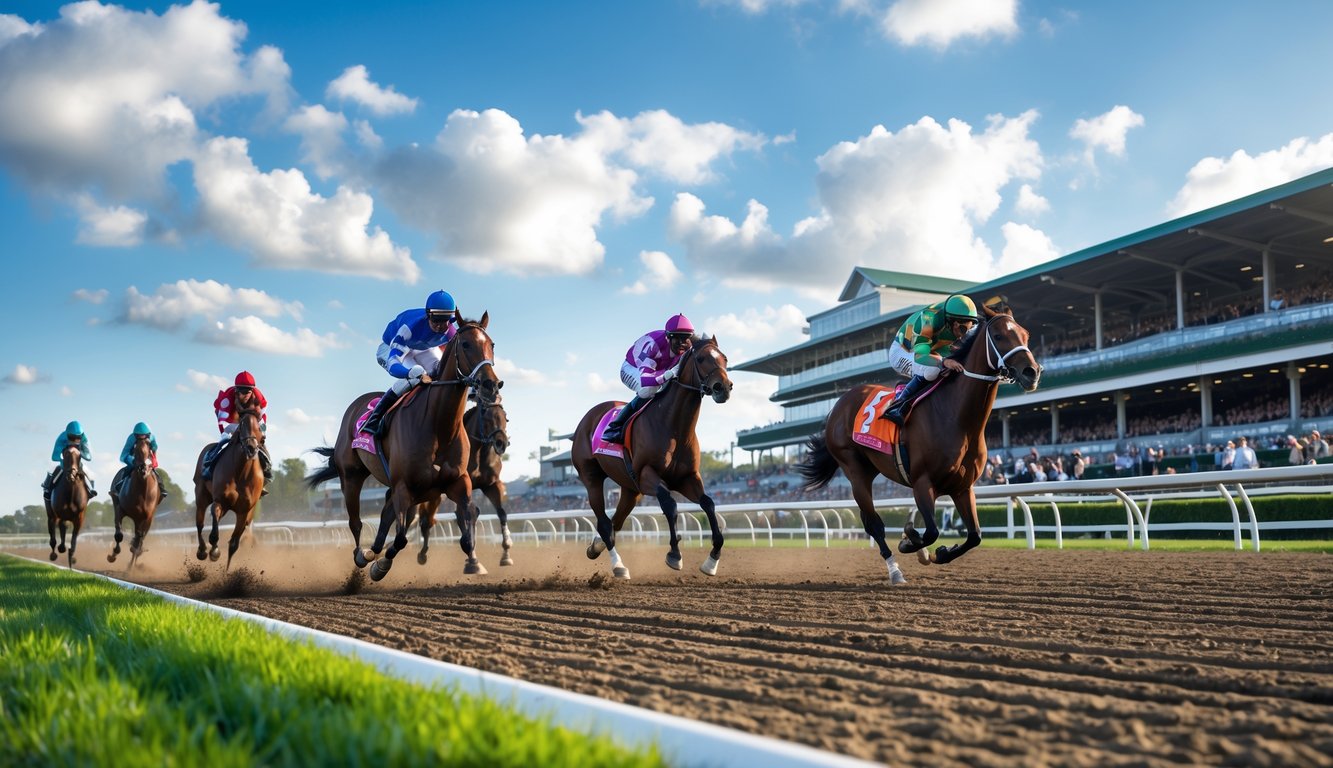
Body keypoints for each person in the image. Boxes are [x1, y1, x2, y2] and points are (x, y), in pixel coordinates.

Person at [361, 289, 459, 437]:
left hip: (423, 347)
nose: (439, 326)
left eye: (444, 321)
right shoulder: (409, 328)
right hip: (392, 349)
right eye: (435, 321)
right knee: (416, 375)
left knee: (440, 371)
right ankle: (374, 419)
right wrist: (408, 373)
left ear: (451, 320)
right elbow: (394, 364)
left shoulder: (452, 333)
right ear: (428, 316)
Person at [880, 294, 979, 426]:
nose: (964, 335)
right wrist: (944, 362)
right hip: (904, 352)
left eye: (970, 328)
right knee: (932, 370)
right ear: (954, 322)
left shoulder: (952, 322)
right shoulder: (928, 319)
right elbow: (921, 357)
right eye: (963, 329)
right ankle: (898, 405)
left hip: (930, 351)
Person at [601, 314, 695, 444]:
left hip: (659, 370)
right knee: (648, 390)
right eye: (677, 339)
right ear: (668, 337)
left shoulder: (689, 344)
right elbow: (647, 380)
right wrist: (668, 374)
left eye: (685, 339)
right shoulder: (652, 345)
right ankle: (615, 427)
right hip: (633, 369)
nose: (681, 344)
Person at [203, 371, 272, 491]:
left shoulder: (259, 400)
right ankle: (209, 464)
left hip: (250, 420)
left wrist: (263, 434)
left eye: (248, 392)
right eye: (242, 392)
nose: (246, 395)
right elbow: (221, 421)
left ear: (252, 391)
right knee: (224, 441)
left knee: (261, 445)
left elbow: (262, 421)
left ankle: (266, 472)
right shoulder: (227, 400)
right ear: (236, 391)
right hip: (231, 420)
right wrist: (224, 435)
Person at [111, 422, 167, 503]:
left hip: (146, 458)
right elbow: (123, 455)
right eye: (139, 436)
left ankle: (161, 488)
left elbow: (154, 448)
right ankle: (118, 487)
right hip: (133, 459)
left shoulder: (152, 437)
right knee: (128, 469)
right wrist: (132, 460)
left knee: (154, 471)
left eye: (143, 435)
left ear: (148, 435)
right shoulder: (131, 438)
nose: (141, 437)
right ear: (135, 435)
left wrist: (154, 459)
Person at [42, 420, 97, 501]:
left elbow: (88, 457)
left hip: (77, 464)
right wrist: (64, 459)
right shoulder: (61, 438)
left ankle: (91, 490)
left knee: (90, 473)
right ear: (68, 434)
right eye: (73, 437)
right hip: (64, 463)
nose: (76, 440)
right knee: (51, 470)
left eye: (78, 437)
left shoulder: (84, 438)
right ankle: (47, 489)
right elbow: (54, 456)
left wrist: (77, 452)